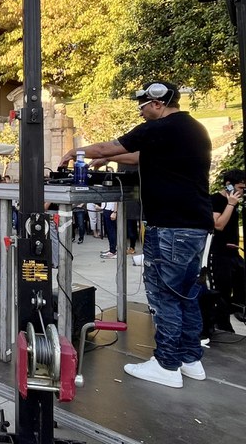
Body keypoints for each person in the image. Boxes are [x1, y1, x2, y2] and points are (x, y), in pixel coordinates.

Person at [60, 81, 213, 388]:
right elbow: (141, 157)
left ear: (157, 102)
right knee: (187, 295)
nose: (141, 113)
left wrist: (72, 152)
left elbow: (107, 147)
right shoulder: (193, 129)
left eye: (143, 106)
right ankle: (189, 359)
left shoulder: (159, 128)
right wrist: (110, 159)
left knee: (164, 297)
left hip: (170, 227)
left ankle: (167, 365)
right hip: (195, 226)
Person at [209, 170, 245, 332]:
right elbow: (218, 225)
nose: (242, 191)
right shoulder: (216, 200)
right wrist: (230, 204)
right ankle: (222, 326)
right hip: (218, 254)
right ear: (228, 185)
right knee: (221, 292)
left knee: (240, 287)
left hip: (234, 253)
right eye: (240, 187)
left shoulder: (237, 202)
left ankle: (236, 312)